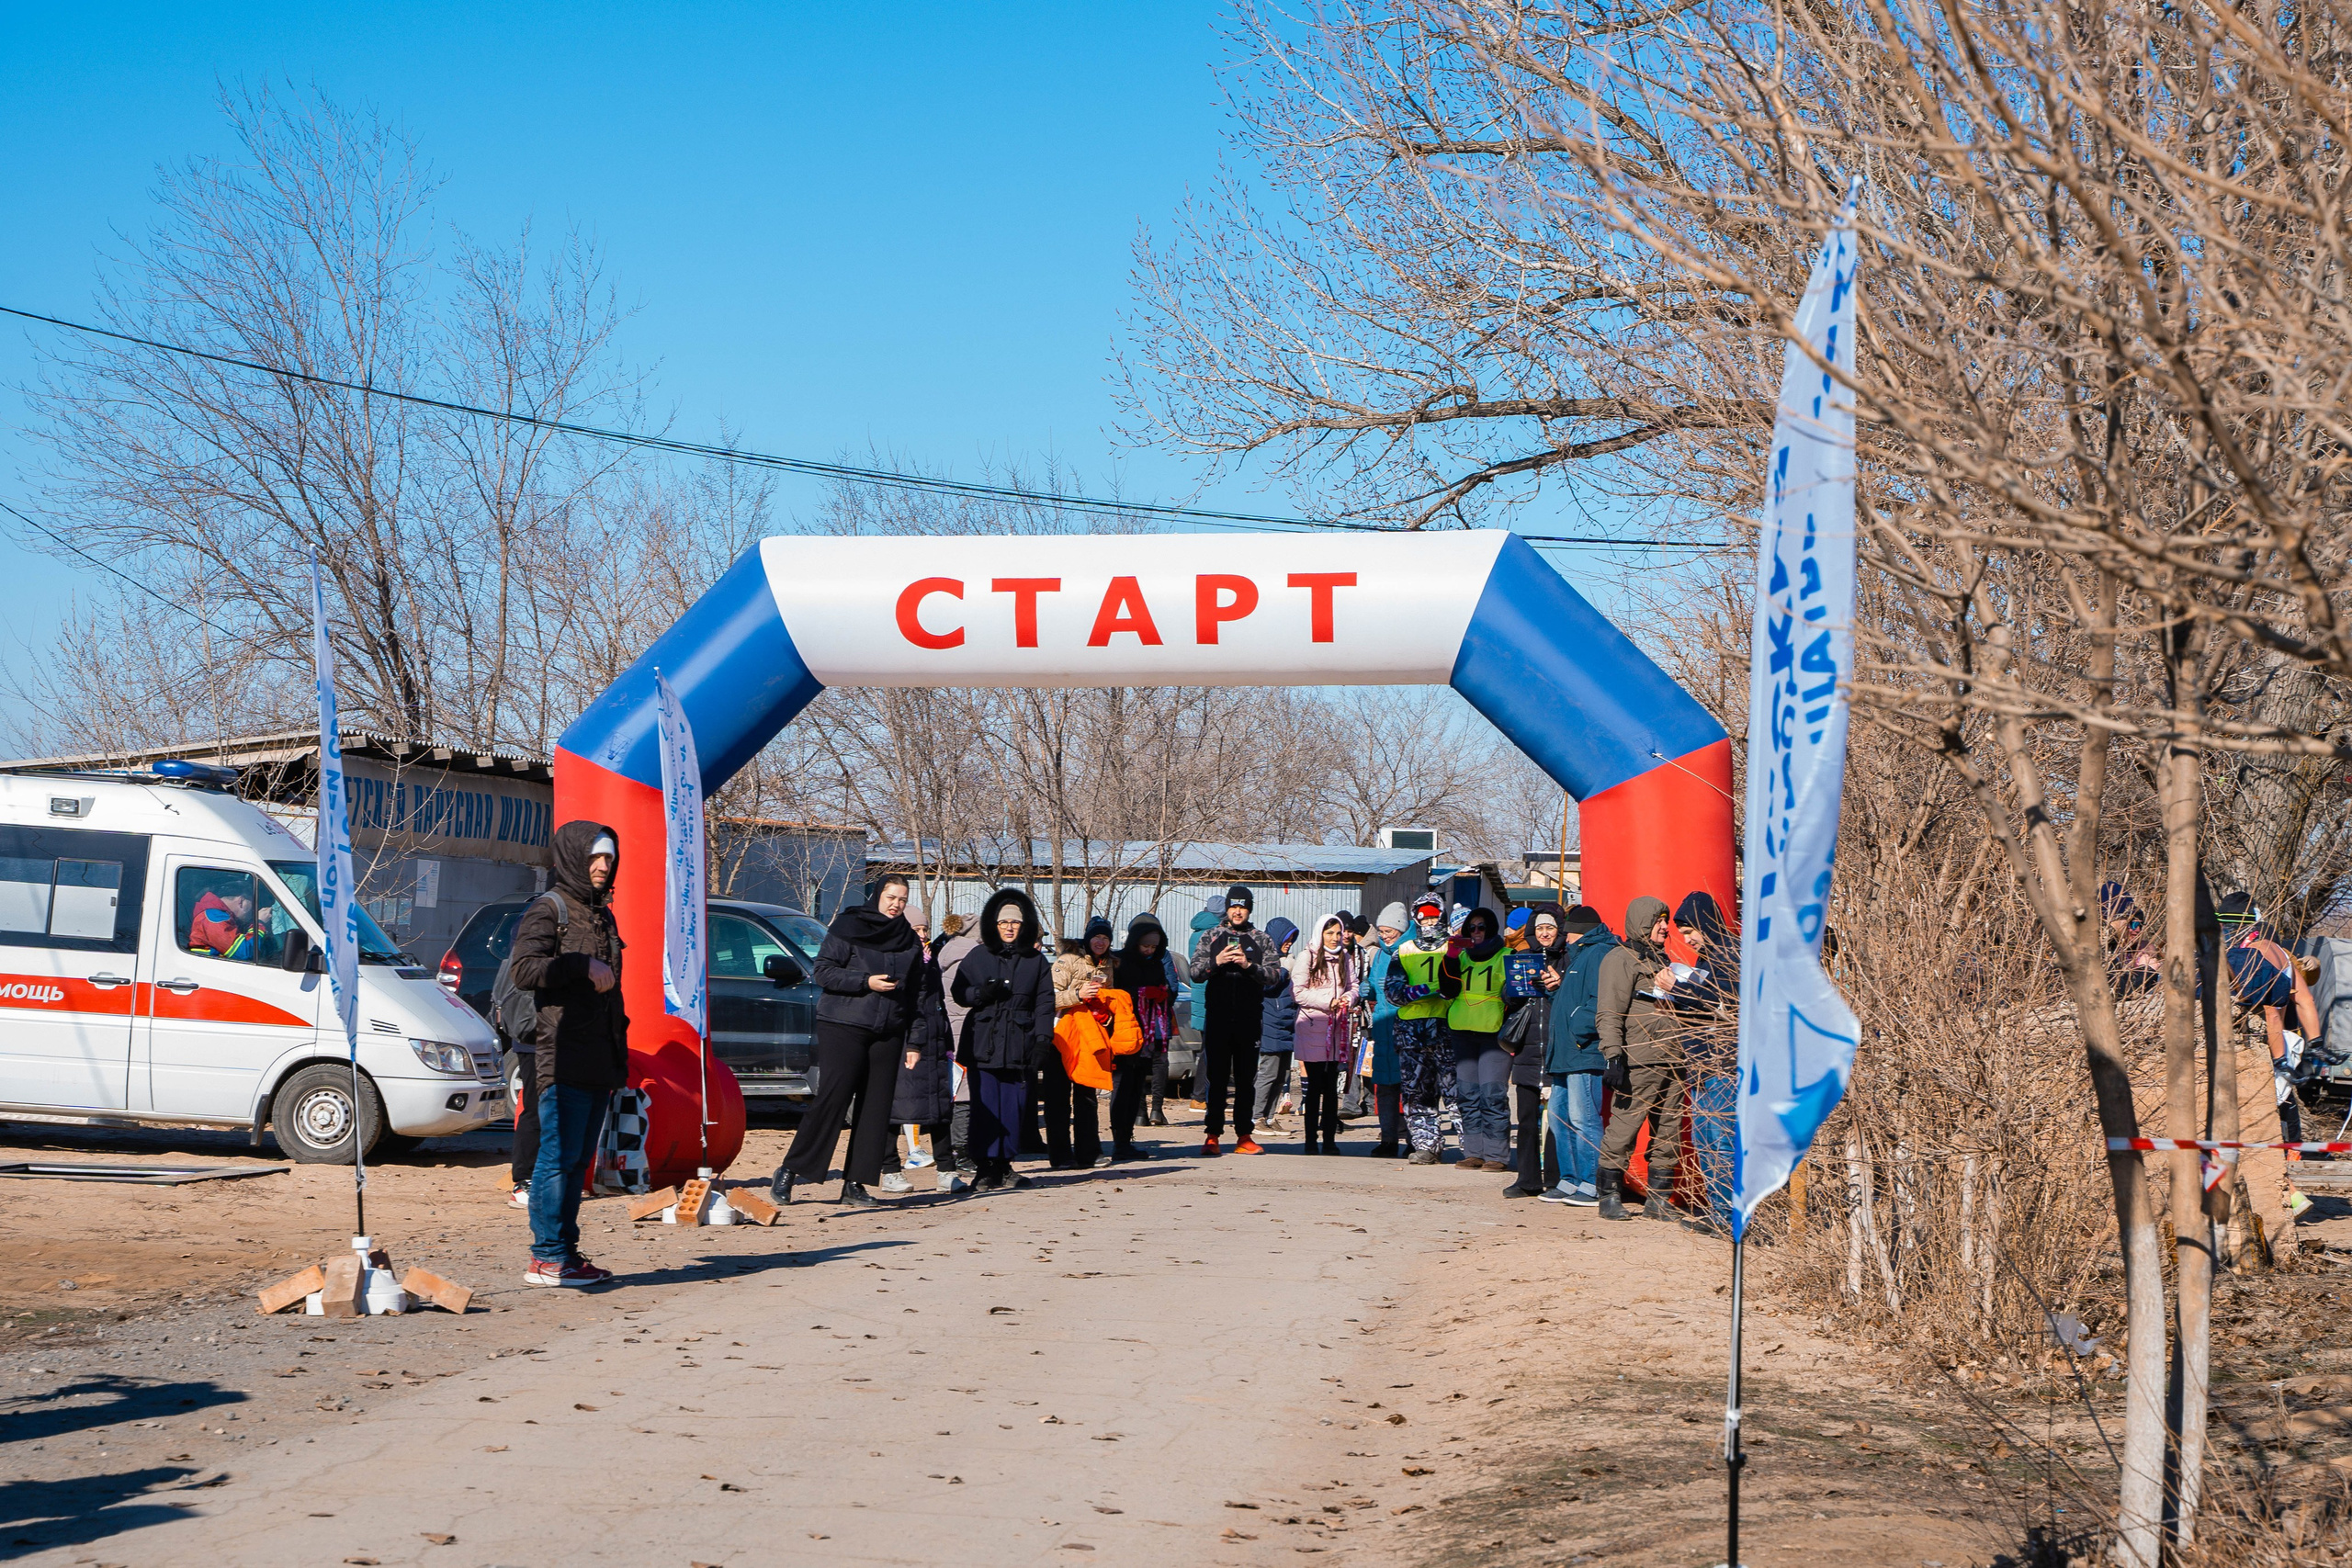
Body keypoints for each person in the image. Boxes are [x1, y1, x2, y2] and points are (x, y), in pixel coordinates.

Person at [509, 821, 629, 1288]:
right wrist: (580, 964)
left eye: (609, 857)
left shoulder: (602, 914)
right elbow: (524, 968)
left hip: (599, 1053)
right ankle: (546, 1257)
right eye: (595, 857)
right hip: (560, 1054)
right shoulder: (549, 909)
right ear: (574, 858)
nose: (603, 866)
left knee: (578, 1161)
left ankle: (567, 1253)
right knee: (557, 1158)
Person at [770, 874, 930, 1209]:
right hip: (844, 1024)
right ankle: (790, 1170)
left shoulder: (908, 941)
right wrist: (865, 981)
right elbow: (823, 971)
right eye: (890, 896)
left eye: (902, 899)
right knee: (833, 1098)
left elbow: (918, 994)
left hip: (888, 1030)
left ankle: (855, 1184)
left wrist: (914, 1041)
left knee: (875, 1109)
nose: (896, 904)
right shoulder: (849, 925)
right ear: (877, 895)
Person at [2219, 893, 2318, 1256]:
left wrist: (2282, 1062)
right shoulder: (2269, 958)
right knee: (2270, 1124)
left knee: (2261, 1127)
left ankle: (2288, 1193)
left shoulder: (2260, 959)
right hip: (2276, 1056)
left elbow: (2278, 1011)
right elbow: (2301, 1000)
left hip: (2268, 1057)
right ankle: (2290, 1192)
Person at [952, 889, 1055, 1190]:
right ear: (993, 925)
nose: (1009, 928)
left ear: (1025, 926)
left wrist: (1042, 1040)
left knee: (1014, 1106)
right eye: (1003, 923)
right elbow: (959, 992)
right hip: (983, 1041)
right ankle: (985, 1168)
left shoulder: (1036, 961)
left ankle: (1006, 1166)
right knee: (984, 1107)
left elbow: (1045, 1003)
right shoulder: (978, 955)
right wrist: (982, 993)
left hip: (1019, 1043)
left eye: (1015, 923)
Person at [1595, 896, 1687, 1223]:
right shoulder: (1620, 959)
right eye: (1658, 921)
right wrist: (1613, 1057)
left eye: (1667, 920)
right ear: (1641, 923)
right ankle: (1608, 1196)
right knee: (1624, 1129)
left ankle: (1658, 1201)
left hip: (1674, 1059)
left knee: (1670, 1131)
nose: (1665, 927)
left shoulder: (1663, 961)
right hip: (1638, 1061)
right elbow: (1608, 1012)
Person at [1189, 885, 1283, 1156]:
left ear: (1249, 909)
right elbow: (1195, 973)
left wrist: (1248, 966)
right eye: (1233, 906)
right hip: (1217, 1018)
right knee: (1216, 1079)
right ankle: (1212, 1135)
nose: (1238, 911)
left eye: (1242, 906)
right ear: (1227, 909)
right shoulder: (1211, 935)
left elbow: (1275, 976)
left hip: (1249, 1019)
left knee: (1245, 1080)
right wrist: (1216, 962)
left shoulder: (1261, 938)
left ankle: (1244, 1135)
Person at [1541, 905, 1615, 1206]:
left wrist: (1576, 1028)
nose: (1564, 936)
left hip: (1583, 1052)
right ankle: (1570, 1180)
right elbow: (1578, 999)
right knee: (1559, 1118)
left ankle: (1590, 1182)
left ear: (1579, 931)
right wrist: (1556, 989)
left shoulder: (1596, 954)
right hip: (1567, 1052)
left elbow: (1600, 1001)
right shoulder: (1582, 955)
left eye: (1568, 930)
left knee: (1583, 1117)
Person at [1675, 891, 1740, 1230]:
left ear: (1705, 924)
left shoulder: (1730, 954)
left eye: (1690, 933)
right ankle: (1719, 1212)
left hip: (1723, 1064)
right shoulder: (1706, 959)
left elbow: (1724, 1002)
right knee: (1707, 1140)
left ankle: (1730, 1216)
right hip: (1702, 1063)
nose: (1687, 940)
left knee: (1721, 1139)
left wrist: (1679, 990)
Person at [881, 905, 958, 1195]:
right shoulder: (895, 960)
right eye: (917, 929)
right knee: (896, 1107)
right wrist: (913, 1040)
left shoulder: (930, 960)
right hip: (906, 1044)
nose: (923, 935)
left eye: (925, 929)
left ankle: (946, 1171)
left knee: (939, 1110)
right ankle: (890, 1170)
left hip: (935, 1042)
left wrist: (948, 1042)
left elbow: (937, 1004)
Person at [1499, 902, 1566, 1198]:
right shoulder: (1521, 957)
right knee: (1526, 1118)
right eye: (1540, 928)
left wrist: (1557, 985)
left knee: (1556, 1120)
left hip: (1556, 1048)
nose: (1545, 933)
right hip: (1526, 1047)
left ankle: (1554, 1179)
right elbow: (1507, 1000)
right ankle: (1526, 1179)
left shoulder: (1567, 959)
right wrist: (1513, 988)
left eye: (1550, 927)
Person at [1440, 908, 1511, 1172]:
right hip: (1462, 1033)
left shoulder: (1507, 956)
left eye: (1482, 927)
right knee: (1468, 1095)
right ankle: (1473, 1153)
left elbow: (1515, 997)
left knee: (1492, 1095)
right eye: (1472, 928)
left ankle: (1497, 1155)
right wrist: (1450, 957)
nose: (1476, 932)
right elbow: (1447, 990)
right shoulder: (1462, 957)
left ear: (1491, 928)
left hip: (1494, 1036)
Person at [1385, 894, 1455, 1164]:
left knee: (1457, 1093)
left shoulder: (1454, 947)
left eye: (1433, 915)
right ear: (1416, 918)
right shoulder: (1403, 951)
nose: (1429, 921)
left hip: (1448, 1030)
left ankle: (1471, 1147)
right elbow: (1392, 992)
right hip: (1411, 1034)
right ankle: (1426, 1145)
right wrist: (1421, 991)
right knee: (1417, 1094)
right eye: (1423, 916)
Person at [1046, 919, 1118, 1168]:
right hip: (1062, 1036)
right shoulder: (1067, 960)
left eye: (1106, 938)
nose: (1101, 942)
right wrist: (1078, 995)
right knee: (1058, 1096)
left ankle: (1090, 1152)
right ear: (1087, 939)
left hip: (1091, 1036)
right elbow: (1049, 997)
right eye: (1097, 937)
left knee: (1087, 1094)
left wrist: (1105, 1010)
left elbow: (1108, 997)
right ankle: (1060, 1155)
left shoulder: (1109, 964)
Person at [1110, 912, 1180, 1159]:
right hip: (1124, 1034)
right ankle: (1119, 1141)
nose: (1149, 950)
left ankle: (1127, 1139)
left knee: (1137, 1085)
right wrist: (1140, 993)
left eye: (1154, 946)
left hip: (1148, 1036)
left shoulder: (1157, 963)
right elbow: (1113, 995)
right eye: (1145, 945)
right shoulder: (1119, 961)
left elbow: (1169, 991)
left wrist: (1162, 994)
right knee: (1122, 1088)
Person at [1290, 912, 1359, 1154]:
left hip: (1338, 1028)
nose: (1335, 938)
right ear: (1320, 933)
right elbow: (1298, 992)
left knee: (1331, 1088)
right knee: (1314, 1086)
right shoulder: (1307, 956)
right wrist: (1328, 1001)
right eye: (1329, 933)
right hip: (1312, 1027)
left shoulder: (1345, 957)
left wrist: (1348, 999)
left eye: (1338, 933)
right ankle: (1310, 1140)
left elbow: (1354, 986)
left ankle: (1329, 1140)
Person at [930, 912, 981, 1194]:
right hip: (965, 1027)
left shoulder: (947, 951)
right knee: (965, 1091)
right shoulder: (970, 956)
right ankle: (961, 1149)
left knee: (959, 1088)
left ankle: (959, 1147)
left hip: (954, 1026)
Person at [1360, 903, 1409, 1157]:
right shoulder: (1378, 956)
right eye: (1381, 931)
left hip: (1407, 1027)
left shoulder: (1412, 952)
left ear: (1402, 929)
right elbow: (1373, 986)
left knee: (1411, 1088)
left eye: (1389, 930)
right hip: (1382, 1028)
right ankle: (1388, 1140)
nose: (1384, 935)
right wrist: (1365, 988)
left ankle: (1415, 1141)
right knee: (1386, 1087)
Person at [1255, 917, 1302, 1133]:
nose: (1289, 942)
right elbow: (1263, 986)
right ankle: (1256, 1118)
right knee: (1268, 1073)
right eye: (1286, 938)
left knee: (1281, 1075)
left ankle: (1270, 1116)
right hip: (1270, 1023)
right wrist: (1284, 972)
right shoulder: (1264, 958)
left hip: (1286, 1024)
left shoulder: (1289, 959)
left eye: (1292, 938)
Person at [1183, 905, 1223, 1110]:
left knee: (1209, 1049)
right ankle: (1199, 1096)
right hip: (1211, 1000)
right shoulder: (1214, 933)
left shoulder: (1196, 933)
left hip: (1201, 999)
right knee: (1210, 1051)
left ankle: (1202, 1095)